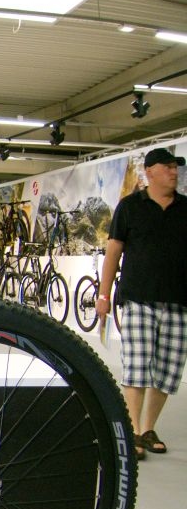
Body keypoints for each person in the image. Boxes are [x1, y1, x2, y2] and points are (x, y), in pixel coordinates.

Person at [98, 146, 187, 459]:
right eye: (167, 167)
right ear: (149, 172)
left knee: (168, 370)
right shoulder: (130, 207)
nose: (174, 172)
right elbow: (113, 253)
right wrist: (103, 295)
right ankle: (133, 430)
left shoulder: (185, 208)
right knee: (137, 365)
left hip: (178, 301)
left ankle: (148, 429)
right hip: (138, 298)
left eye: (175, 167)